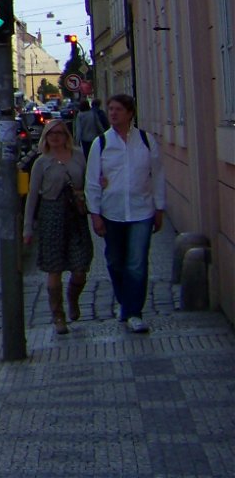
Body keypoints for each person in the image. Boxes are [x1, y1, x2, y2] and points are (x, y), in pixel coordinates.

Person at [84, 92, 165, 334]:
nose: (113, 113)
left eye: (118, 109)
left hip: (142, 211)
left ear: (130, 113)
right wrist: (95, 214)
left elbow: (158, 176)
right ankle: (125, 302)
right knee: (115, 261)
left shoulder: (146, 141)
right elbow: (92, 182)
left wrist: (159, 207)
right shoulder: (102, 143)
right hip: (113, 212)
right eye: (111, 109)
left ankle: (134, 312)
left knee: (137, 263)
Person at [21, 119, 93, 334]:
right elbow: (32, 196)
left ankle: (73, 299)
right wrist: (27, 227)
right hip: (51, 215)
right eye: (51, 133)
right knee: (54, 268)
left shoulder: (79, 155)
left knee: (80, 267)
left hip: (76, 216)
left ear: (66, 136)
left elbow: (90, 182)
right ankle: (58, 315)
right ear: (46, 137)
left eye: (60, 133)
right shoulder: (41, 163)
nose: (56, 137)